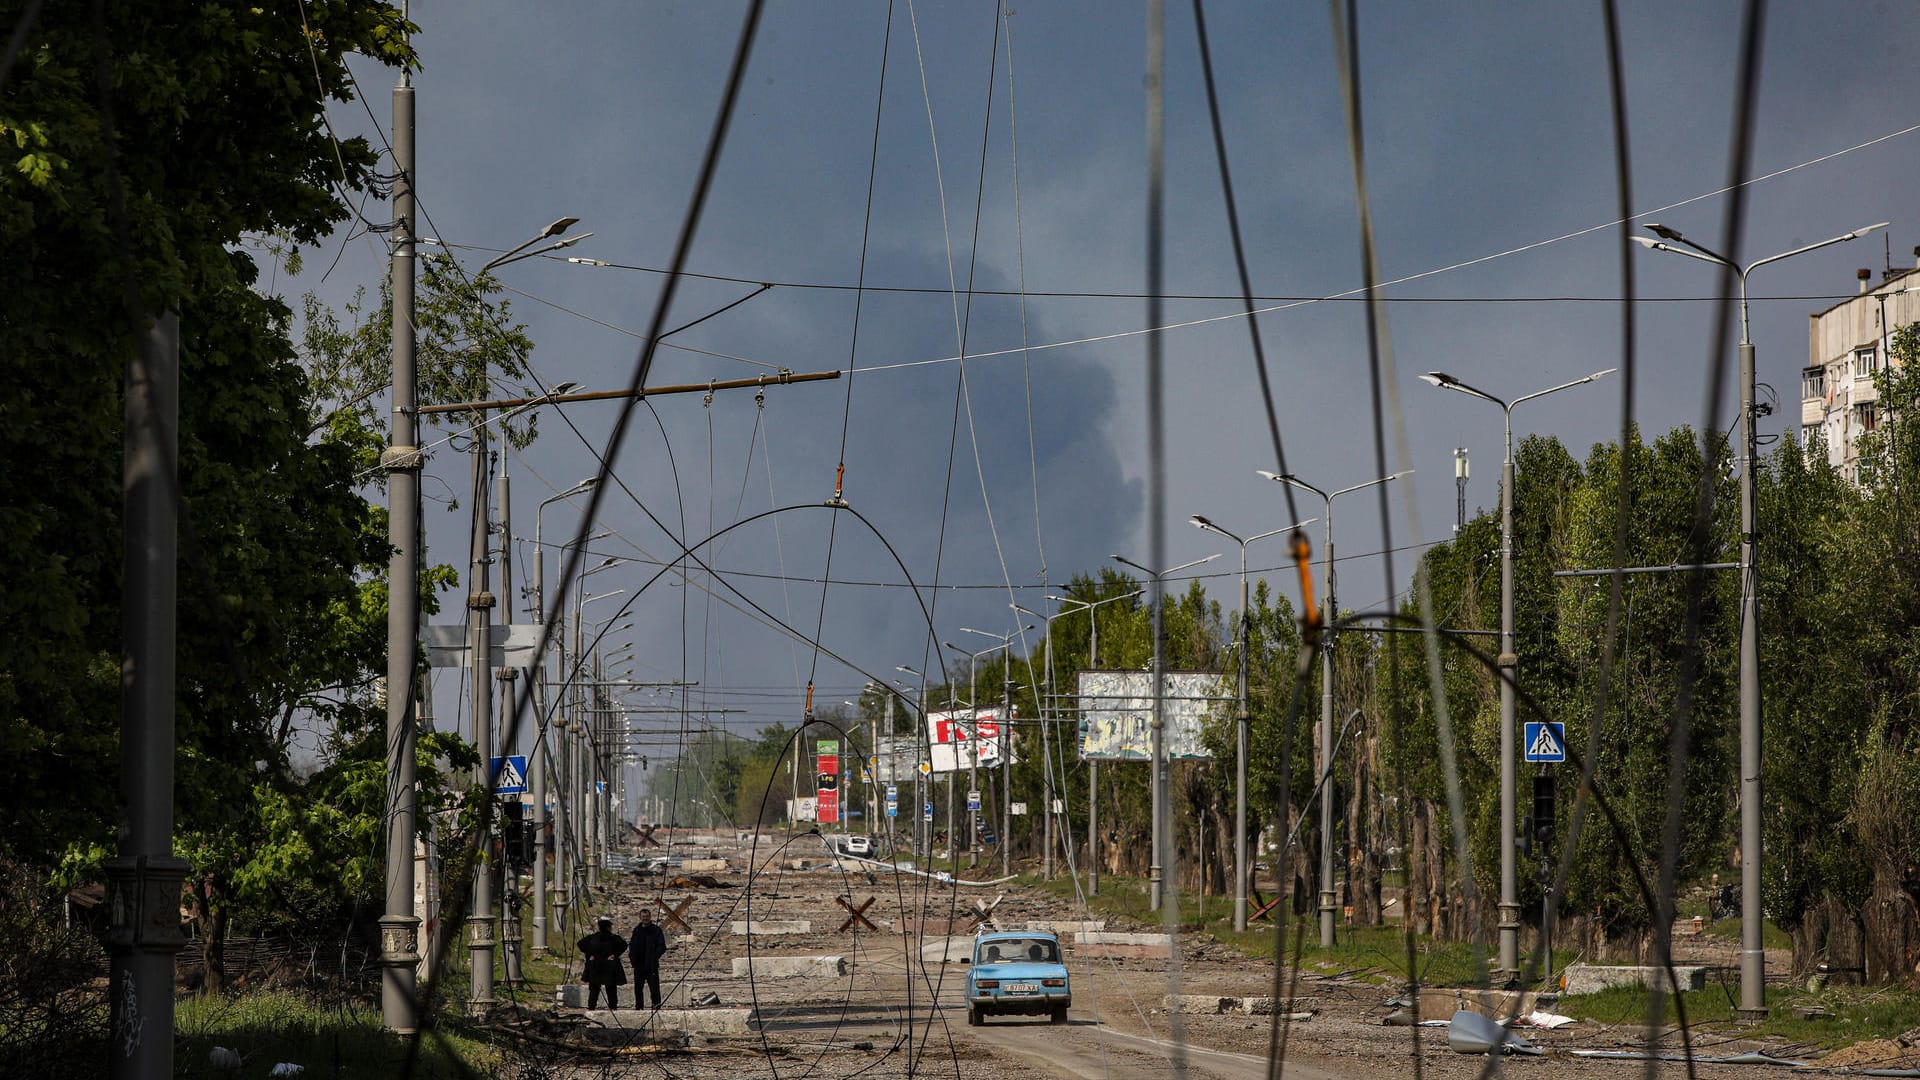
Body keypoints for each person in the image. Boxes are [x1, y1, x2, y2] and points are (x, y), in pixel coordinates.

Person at [577, 916, 628, 1009]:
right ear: (609, 927)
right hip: (609, 966)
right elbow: (624, 945)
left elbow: (580, 944)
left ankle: (591, 1007)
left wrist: (589, 955)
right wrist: (615, 955)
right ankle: (613, 1007)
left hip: (595, 966)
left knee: (594, 989)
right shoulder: (613, 938)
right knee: (611, 989)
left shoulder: (592, 938)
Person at [628, 907, 668, 1008]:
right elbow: (632, 946)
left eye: (646, 916)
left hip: (651, 964)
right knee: (638, 989)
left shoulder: (656, 930)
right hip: (639, 965)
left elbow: (662, 946)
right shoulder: (637, 930)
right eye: (643, 917)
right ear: (640, 917)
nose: (645, 918)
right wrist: (632, 959)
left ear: (650, 917)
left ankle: (656, 1006)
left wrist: (654, 957)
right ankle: (639, 1007)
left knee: (654, 987)